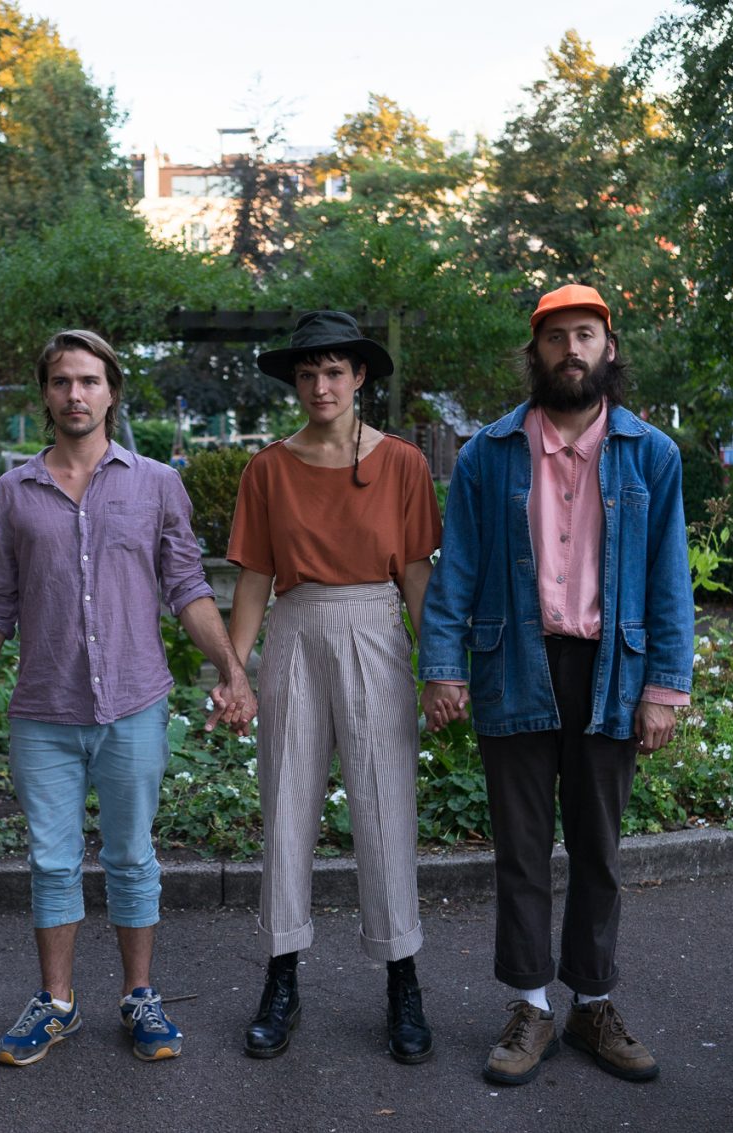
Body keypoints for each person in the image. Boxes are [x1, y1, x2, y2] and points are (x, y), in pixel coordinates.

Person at [418, 284, 694, 1087]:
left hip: (613, 669)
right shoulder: (488, 453)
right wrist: (441, 664)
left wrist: (664, 687)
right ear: (535, 353)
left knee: (599, 849)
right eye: (555, 338)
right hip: (515, 665)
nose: (571, 350)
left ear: (608, 349)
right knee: (522, 848)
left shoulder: (652, 454)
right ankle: (532, 1004)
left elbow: (668, 577)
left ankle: (593, 1004)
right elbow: (457, 568)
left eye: (586, 336)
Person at [0, 328, 256, 1066]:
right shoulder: (12, 492)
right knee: (52, 861)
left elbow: (187, 586)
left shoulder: (156, 482)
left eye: (89, 381)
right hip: (43, 711)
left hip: (134, 703)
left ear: (111, 391)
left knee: (132, 855)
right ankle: (57, 1004)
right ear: (45, 395)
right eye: (62, 381)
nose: (75, 394)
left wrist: (232, 667)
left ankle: (139, 995)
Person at [223, 310, 442, 1063]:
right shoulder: (267, 469)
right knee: (285, 803)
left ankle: (401, 979)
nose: (322, 385)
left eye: (336, 372)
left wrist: (436, 664)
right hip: (295, 626)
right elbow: (253, 573)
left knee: (386, 803)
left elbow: (415, 570)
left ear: (360, 378)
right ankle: (281, 977)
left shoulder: (404, 463)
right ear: (296, 380)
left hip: (375, 625)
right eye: (309, 372)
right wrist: (234, 668)